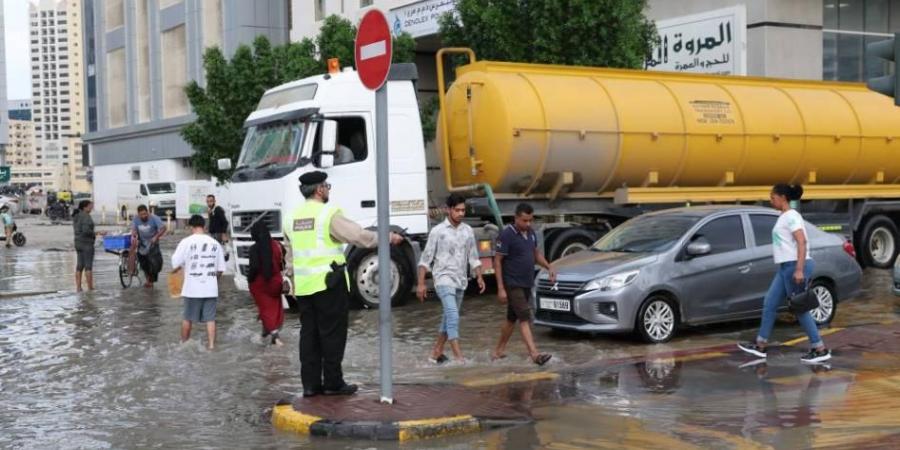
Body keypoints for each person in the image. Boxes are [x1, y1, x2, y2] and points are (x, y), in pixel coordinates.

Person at [283, 171, 403, 397]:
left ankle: (310, 385)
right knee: (333, 335)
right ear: (319, 189)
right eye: (326, 186)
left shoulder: (291, 218)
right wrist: (387, 237)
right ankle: (333, 382)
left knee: (309, 336)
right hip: (329, 284)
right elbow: (358, 236)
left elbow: (289, 256)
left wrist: (290, 280)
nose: (328, 189)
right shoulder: (328, 214)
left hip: (305, 288)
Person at [739, 184, 832, 364]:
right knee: (770, 303)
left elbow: (802, 242)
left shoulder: (791, 216)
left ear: (782, 197)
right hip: (785, 267)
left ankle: (820, 348)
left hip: (794, 266)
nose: (770, 200)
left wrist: (798, 269)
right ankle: (761, 345)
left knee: (800, 307)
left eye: (772, 197)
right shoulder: (784, 216)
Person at [416, 193, 485, 364]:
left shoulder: (468, 231)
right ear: (448, 210)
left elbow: (473, 256)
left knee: (448, 319)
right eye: (457, 210)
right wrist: (421, 284)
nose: (461, 213)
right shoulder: (438, 232)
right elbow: (425, 259)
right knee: (453, 315)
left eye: (463, 210)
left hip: (461, 280)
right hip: (443, 279)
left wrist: (480, 276)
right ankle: (458, 357)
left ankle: (436, 353)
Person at [492, 203, 555, 366]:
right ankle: (534, 355)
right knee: (525, 317)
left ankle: (498, 352)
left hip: (526, 282)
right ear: (516, 218)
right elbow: (497, 261)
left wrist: (549, 267)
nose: (528, 224)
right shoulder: (506, 235)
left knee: (511, 318)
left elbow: (535, 254)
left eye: (530, 221)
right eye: (524, 221)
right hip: (512, 283)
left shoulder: (531, 233)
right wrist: (500, 288)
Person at [171, 215, 227, 350]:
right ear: (204, 226)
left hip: (192, 289)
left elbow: (175, 263)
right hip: (210, 288)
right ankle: (212, 346)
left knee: (187, 318)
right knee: (210, 319)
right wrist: (213, 280)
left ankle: (183, 345)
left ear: (191, 227)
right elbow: (220, 269)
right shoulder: (215, 243)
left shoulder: (186, 242)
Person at [247, 220, 286, 346]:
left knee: (265, 308)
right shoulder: (278, 245)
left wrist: (249, 279)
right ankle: (265, 332)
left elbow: (254, 268)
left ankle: (275, 336)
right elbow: (282, 262)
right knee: (274, 307)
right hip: (276, 283)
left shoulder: (254, 249)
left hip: (261, 284)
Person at [132, 204, 167, 288]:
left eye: (145, 214)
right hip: (142, 244)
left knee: (154, 264)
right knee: (144, 264)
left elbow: (163, 228)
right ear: (138, 214)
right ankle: (148, 280)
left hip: (153, 243)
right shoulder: (136, 219)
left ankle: (151, 281)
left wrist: (156, 237)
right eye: (141, 215)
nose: (143, 216)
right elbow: (134, 229)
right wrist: (134, 234)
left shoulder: (154, 218)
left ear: (147, 212)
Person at [73, 200, 103, 292]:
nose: (91, 208)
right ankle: (90, 287)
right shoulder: (86, 217)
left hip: (78, 243)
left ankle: (78, 287)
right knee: (88, 266)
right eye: (90, 206)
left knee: (79, 266)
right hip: (86, 243)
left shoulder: (76, 216)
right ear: (84, 207)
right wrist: (97, 233)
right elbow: (86, 230)